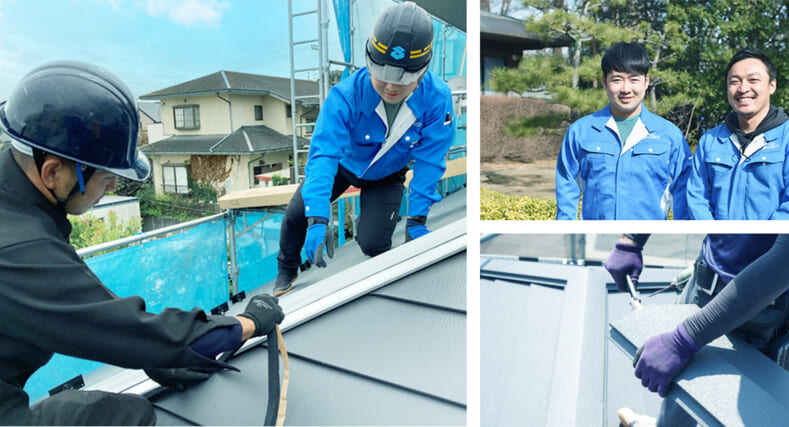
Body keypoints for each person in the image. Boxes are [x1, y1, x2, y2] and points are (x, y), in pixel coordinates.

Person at [0, 60, 285, 425]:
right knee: (127, 417)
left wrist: (155, 356)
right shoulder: (20, 251)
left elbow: (77, 296)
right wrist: (247, 323)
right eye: (105, 177)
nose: (114, 188)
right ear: (52, 171)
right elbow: (118, 327)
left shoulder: (17, 211)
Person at [273, 2, 457, 293]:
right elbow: (322, 156)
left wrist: (418, 218)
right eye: (382, 75)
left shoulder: (437, 99)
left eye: (404, 79)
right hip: (343, 167)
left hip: (387, 174)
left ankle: (375, 234)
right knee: (297, 214)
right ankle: (286, 270)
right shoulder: (345, 96)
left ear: (422, 72)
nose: (391, 87)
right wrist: (318, 216)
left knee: (374, 245)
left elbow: (430, 160)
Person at [608, 234, 789, 427]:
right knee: (680, 388)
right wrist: (632, 240)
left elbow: (782, 264)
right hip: (704, 275)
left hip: (757, 312)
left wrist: (682, 341)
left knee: (732, 412)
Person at [676, 49, 789, 220]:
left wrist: (759, 244)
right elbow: (697, 198)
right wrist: (716, 240)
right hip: (717, 245)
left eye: (753, 80)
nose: (743, 89)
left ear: (772, 86)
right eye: (734, 82)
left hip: (770, 246)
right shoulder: (710, 141)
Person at [558, 42, 691, 220]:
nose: (626, 89)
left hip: (649, 242)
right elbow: (567, 187)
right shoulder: (580, 132)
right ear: (605, 82)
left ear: (646, 81)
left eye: (634, 79)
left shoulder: (670, 136)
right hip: (594, 241)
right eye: (617, 80)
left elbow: (683, 193)